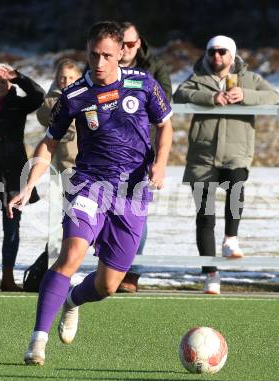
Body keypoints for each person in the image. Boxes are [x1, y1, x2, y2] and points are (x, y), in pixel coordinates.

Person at [8, 21, 173, 366]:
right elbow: (49, 142)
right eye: (93, 55)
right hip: (89, 184)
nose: (98, 63)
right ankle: (37, 341)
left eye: (106, 56)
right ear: (87, 51)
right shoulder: (74, 95)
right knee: (70, 256)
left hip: (133, 191)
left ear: (122, 54)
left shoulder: (144, 85)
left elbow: (165, 125)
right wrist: (28, 184)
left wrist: (160, 163)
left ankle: (72, 300)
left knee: (108, 285)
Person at [173, 35, 279, 294]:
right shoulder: (198, 77)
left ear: (232, 55)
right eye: (212, 52)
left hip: (236, 153)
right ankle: (211, 275)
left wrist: (244, 95)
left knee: (236, 191)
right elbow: (179, 95)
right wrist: (210, 98)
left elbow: (274, 96)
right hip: (203, 156)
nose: (216, 57)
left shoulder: (249, 78)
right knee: (205, 216)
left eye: (222, 52)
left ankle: (231, 239)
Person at [0, 63, 44, 292]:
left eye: (3, 81)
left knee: (12, 229)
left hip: (15, 176)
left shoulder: (18, 103)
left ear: (9, 84)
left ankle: (8, 277)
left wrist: (19, 77)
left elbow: (39, 95)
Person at [117, 21, 173, 293]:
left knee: (137, 214)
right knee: (105, 212)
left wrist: (159, 163)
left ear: (139, 43)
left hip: (141, 152)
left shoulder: (154, 69)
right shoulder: (102, 65)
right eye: (122, 43)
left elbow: (163, 109)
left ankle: (132, 272)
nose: (126, 49)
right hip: (105, 153)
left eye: (131, 43)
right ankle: (111, 267)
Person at [36, 58, 82, 172]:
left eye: (71, 78)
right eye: (63, 77)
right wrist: (52, 104)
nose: (66, 81)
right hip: (65, 159)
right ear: (57, 79)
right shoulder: (52, 99)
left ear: (78, 79)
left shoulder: (85, 97)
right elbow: (42, 118)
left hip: (86, 156)